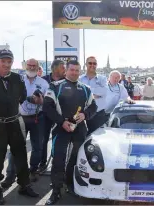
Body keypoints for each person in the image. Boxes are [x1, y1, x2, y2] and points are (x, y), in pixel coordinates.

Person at [43, 60, 97, 205]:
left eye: (77, 70)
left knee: (76, 159)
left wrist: (85, 115)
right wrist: (62, 122)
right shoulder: (55, 86)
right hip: (61, 129)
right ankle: (55, 191)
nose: (74, 72)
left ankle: (70, 185)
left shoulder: (86, 89)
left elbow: (93, 107)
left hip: (79, 130)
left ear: (80, 72)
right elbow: (47, 107)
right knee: (58, 160)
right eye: (71, 70)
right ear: (66, 71)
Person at [0, 49, 38, 205]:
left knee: (21, 155)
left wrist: (33, 98)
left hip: (15, 123)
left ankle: (24, 184)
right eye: (3, 61)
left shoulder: (17, 78)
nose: (7, 64)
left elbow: (22, 98)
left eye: (9, 61)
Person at [1, 58, 49, 189]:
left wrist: (41, 101)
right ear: (25, 66)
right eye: (29, 65)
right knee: (15, 148)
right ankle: (10, 175)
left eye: (34, 65)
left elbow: (49, 101)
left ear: (38, 67)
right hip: (19, 118)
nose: (31, 67)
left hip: (37, 118)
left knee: (37, 147)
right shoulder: (17, 80)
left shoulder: (44, 83)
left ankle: (32, 170)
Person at [38, 59, 66, 172]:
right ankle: (42, 163)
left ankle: (56, 163)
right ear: (55, 68)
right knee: (43, 139)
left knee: (57, 140)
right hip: (45, 114)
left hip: (59, 115)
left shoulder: (66, 81)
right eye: (62, 67)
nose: (65, 69)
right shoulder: (43, 80)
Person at [79, 56, 108, 135]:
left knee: (97, 140)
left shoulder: (102, 79)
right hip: (82, 114)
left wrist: (86, 92)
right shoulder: (79, 79)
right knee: (81, 141)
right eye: (90, 63)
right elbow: (77, 94)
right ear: (86, 64)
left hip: (98, 114)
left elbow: (104, 91)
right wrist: (95, 93)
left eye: (94, 63)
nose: (92, 65)